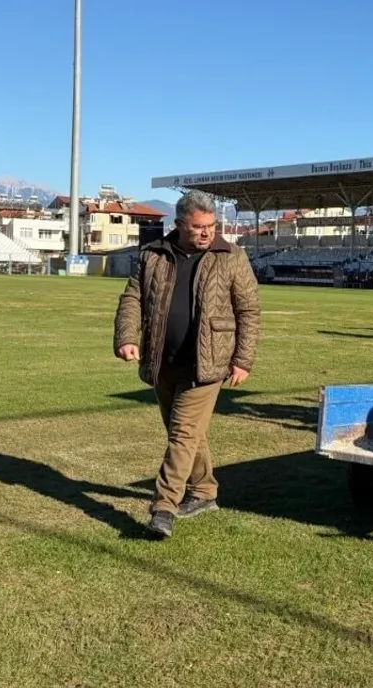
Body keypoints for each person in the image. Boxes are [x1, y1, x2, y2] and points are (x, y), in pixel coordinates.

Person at [113, 191, 261, 539]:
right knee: (188, 434)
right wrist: (126, 337)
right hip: (162, 361)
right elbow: (132, 298)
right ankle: (205, 492)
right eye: (198, 227)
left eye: (211, 226)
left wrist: (242, 360)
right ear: (179, 224)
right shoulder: (153, 255)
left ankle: (164, 507)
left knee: (182, 434)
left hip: (208, 364)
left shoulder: (231, 256)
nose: (207, 233)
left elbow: (249, 311)